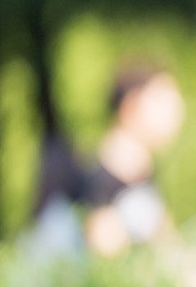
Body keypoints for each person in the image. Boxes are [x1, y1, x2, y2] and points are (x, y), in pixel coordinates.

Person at [26, 64, 185, 259]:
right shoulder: (93, 186)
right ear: (131, 104)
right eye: (162, 101)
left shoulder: (142, 185)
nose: (176, 112)